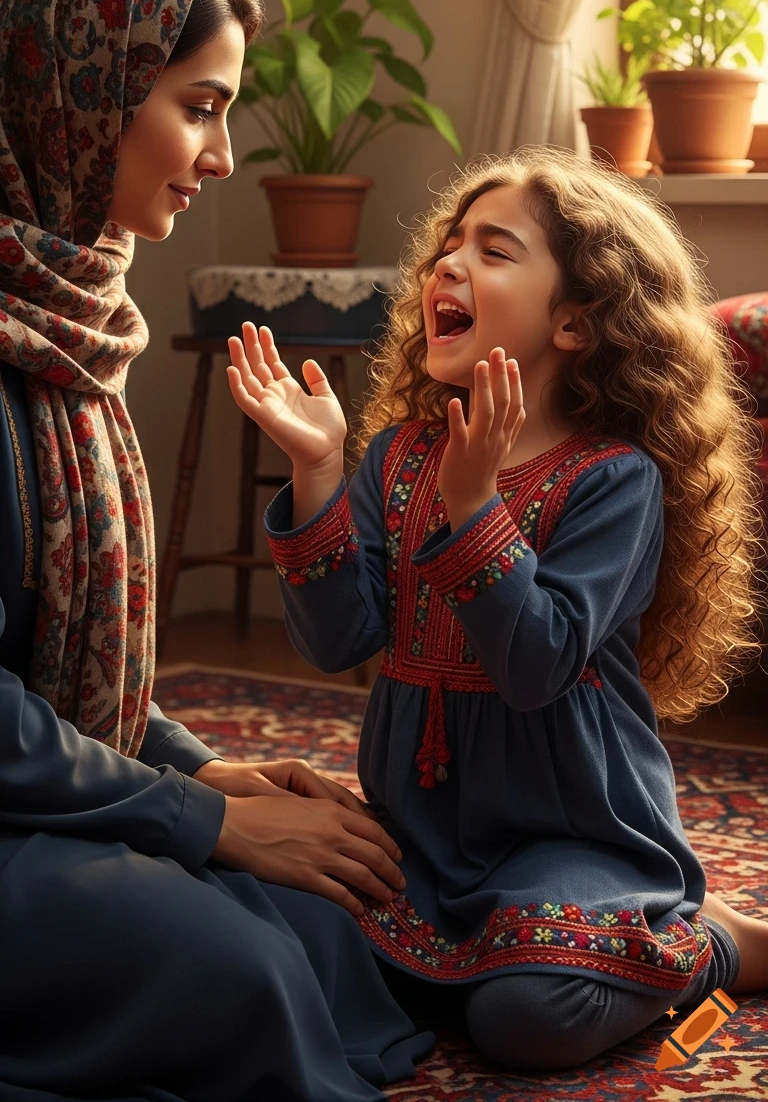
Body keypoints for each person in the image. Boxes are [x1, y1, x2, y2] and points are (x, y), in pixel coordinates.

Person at [0, 0, 433, 1102]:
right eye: (198, 106)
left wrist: (197, 771)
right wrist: (193, 819)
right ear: (81, 97)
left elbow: (61, 669)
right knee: (236, 966)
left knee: (339, 922)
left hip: (36, 792)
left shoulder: (69, 319)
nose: (225, 155)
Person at [227, 149, 768, 1072]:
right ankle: (508, 948)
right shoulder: (397, 456)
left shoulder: (613, 480)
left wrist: (473, 509)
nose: (448, 263)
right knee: (279, 933)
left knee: (529, 1018)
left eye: (495, 249)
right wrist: (318, 473)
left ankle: (712, 938)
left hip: (573, 832)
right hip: (422, 834)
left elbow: (537, 665)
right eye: (448, 245)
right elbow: (338, 639)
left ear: (576, 319)